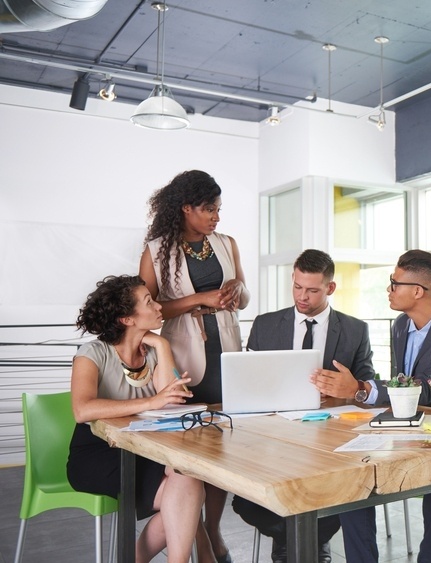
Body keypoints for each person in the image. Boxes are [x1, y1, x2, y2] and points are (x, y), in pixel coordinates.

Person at [311, 249, 431, 563]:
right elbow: (402, 381)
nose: (388, 289)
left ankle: (430, 554)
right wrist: (361, 394)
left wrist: (361, 388)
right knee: (354, 468)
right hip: (407, 423)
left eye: (393, 283)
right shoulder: (401, 325)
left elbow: (428, 389)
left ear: (417, 291)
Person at [231, 249, 378, 563]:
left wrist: (349, 390)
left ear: (330, 288)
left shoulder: (355, 330)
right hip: (273, 435)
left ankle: (304, 541)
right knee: (244, 502)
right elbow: (250, 381)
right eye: (297, 287)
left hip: (330, 435)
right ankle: (300, 536)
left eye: (312, 290)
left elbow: (366, 388)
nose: (303, 296)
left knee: (348, 486)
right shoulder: (266, 324)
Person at [138, 169, 249, 563]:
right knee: (187, 457)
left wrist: (237, 291)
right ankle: (198, 536)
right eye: (208, 210)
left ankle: (213, 531)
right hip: (182, 359)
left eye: (218, 209)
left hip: (227, 354)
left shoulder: (226, 243)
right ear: (185, 209)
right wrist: (198, 300)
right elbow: (146, 310)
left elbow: (243, 296)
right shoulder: (156, 251)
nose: (216, 217)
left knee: (220, 452)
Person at [67, 275, 204, 563]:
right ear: (127, 319)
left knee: (186, 480)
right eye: (149, 302)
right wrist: (150, 401)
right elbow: (82, 409)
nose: (158, 307)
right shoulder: (92, 353)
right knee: (185, 493)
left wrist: (163, 346)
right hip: (98, 453)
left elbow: (174, 401)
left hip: (144, 449)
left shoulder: (153, 352)